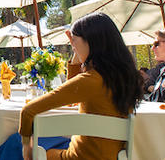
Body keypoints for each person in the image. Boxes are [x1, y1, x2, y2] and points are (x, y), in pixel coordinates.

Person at [14, 12, 145, 160]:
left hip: (79, 156)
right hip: (112, 155)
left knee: (13, 142)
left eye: (74, 41)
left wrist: (26, 146)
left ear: (90, 42)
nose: (73, 46)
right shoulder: (126, 76)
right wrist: (77, 50)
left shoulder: (91, 81)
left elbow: (28, 111)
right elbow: (75, 97)